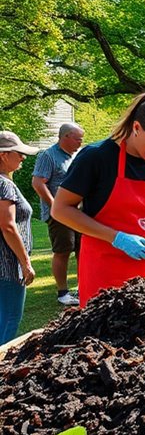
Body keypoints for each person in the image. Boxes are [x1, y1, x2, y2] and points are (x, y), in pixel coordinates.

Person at [52, 86, 145, 307]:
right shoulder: (97, 157)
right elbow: (61, 209)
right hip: (106, 273)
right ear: (136, 127)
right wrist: (117, 238)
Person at [31, 122, 83, 306]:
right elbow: (38, 183)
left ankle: (82, 287)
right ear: (66, 137)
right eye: (78, 139)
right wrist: (56, 207)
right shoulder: (48, 155)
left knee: (82, 250)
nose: (81, 142)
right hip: (60, 214)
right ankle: (63, 292)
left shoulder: (75, 155)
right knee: (63, 251)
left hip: (78, 213)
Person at [0, 132, 38, 343]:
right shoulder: (4, 185)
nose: (24, 157)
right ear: (4, 155)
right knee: (9, 320)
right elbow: (7, 226)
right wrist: (25, 263)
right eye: (19, 153)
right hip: (8, 264)